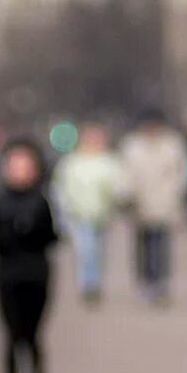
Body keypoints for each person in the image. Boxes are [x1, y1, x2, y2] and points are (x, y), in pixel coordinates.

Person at [0, 138, 61, 373]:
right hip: (7, 275)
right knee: (10, 336)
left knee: (33, 336)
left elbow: (51, 237)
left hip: (36, 274)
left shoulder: (41, 201)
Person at [119, 109, 187, 306]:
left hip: (164, 204)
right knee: (143, 246)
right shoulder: (132, 146)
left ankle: (161, 283)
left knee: (162, 246)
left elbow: (180, 173)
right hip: (140, 205)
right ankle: (146, 282)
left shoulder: (172, 145)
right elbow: (126, 173)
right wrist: (127, 194)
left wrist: (175, 194)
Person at [51, 123, 127, 304]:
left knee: (98, 251)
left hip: (102, 214)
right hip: (79, 215)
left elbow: (118, 186)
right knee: (86, 250)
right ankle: (88, 284)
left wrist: (116, 201)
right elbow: (60, 188)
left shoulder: (109, 162)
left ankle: (95, 281)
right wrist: (64, 212)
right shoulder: (71, 162)